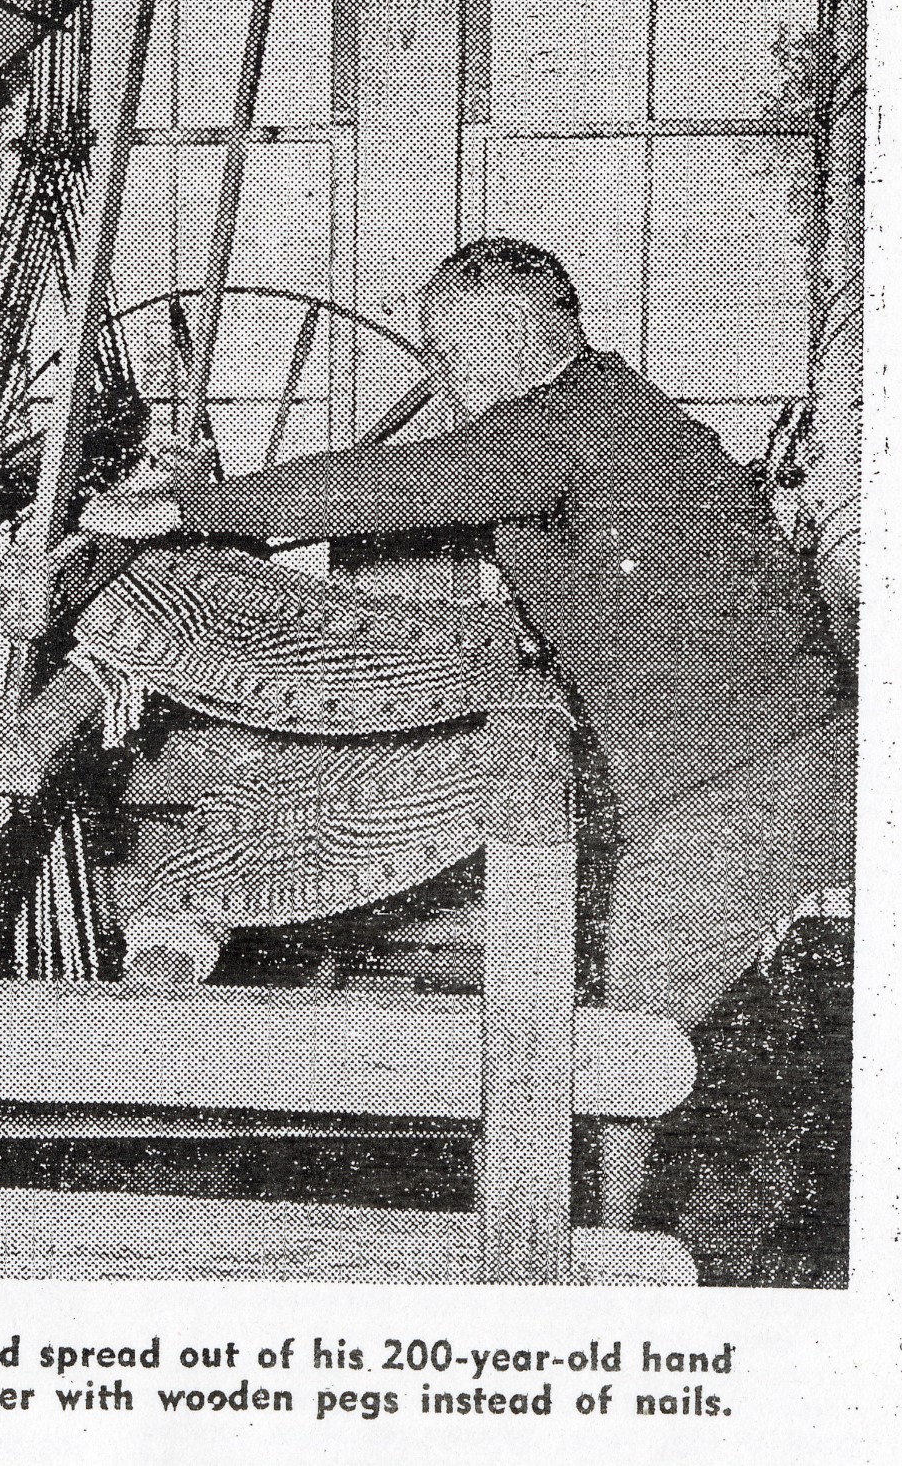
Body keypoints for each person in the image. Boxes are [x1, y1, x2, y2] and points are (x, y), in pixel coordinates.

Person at [82, 237, 855, 1225]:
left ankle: (595, 1257)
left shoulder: (562, 425)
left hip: (755, 785)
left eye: (447, 352)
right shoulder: (618, 409)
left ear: (510, 336)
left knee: (625, 1042)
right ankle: (599, 1235)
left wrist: (185, 508)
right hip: (778, 758)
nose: (440, 378)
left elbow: (394, 483)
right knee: (625, 1024)